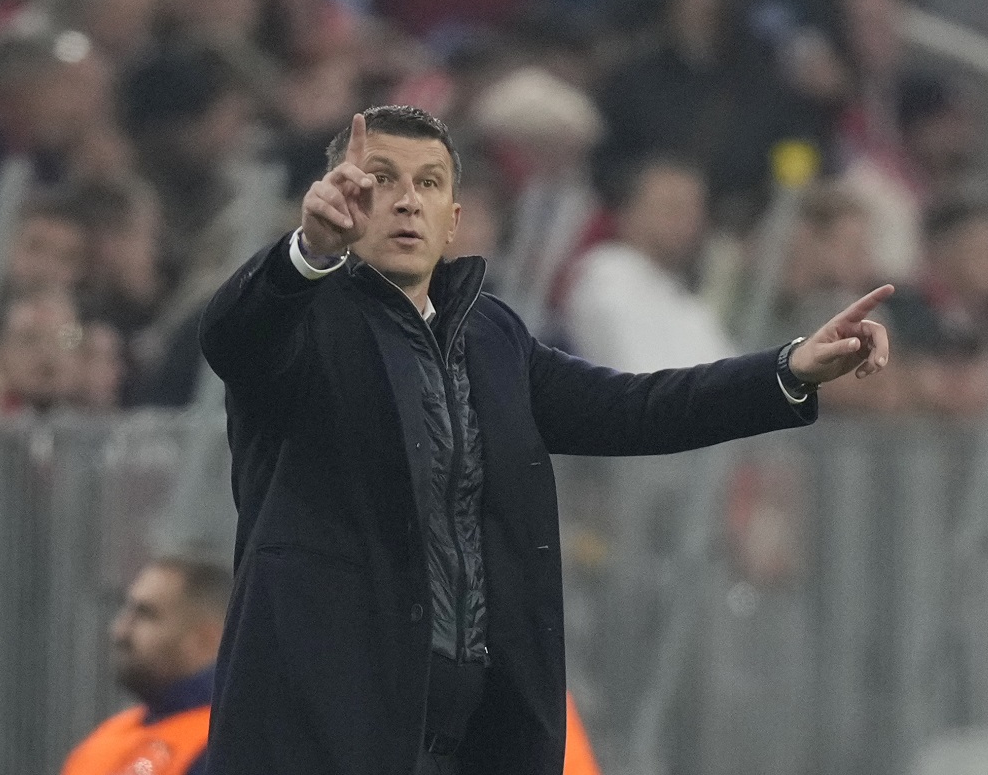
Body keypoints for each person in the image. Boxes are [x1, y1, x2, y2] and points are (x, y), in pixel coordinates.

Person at [199, 105, 893, 775]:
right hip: (324, 735)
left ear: (454, 221)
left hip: (469, 738)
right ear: (339, 196)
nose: (406, 200)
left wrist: (788, 367)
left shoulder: (493, 337)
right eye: (380, 178)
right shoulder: (299, 319)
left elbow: (634, 407)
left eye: (429, 183)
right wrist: (306, 252)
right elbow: (233, 337)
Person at [60, 555, 232, 775]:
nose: (119, 631)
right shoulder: (107, 737)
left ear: (204, 638)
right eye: (127, 610)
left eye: (146, 615)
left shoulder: (226, 747)